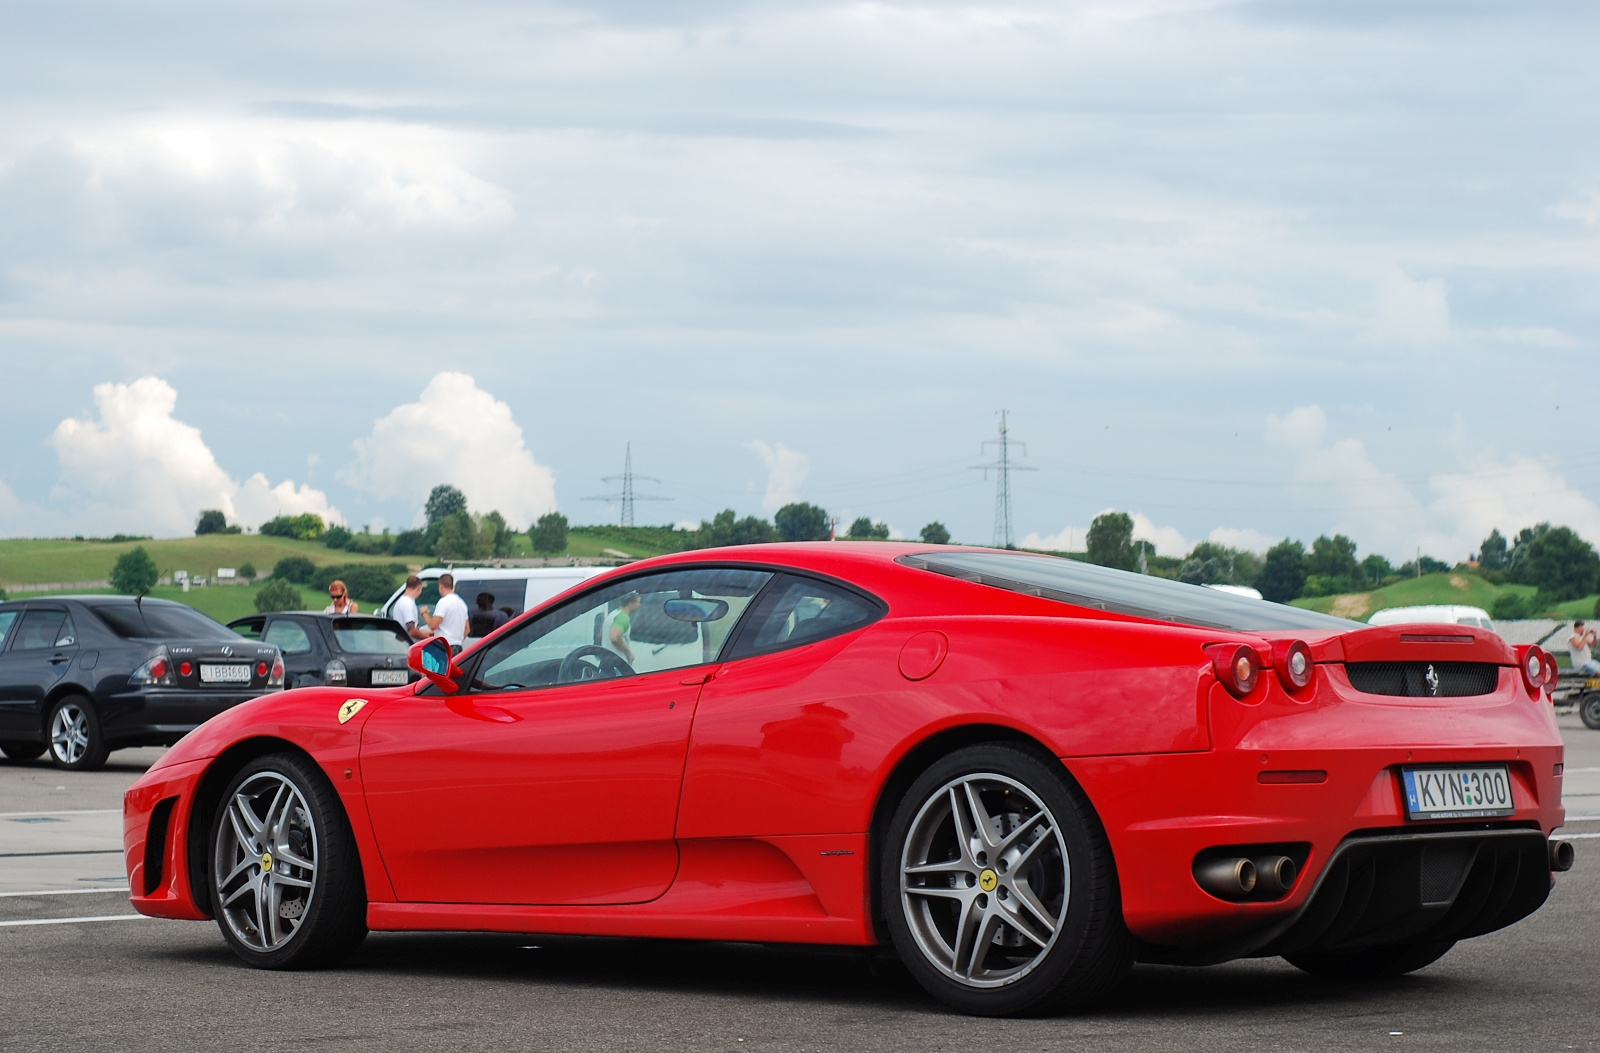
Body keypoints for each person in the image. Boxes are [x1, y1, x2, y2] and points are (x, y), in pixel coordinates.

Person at [424, 573, 470, 654]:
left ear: (441, 586)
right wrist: (457, 640)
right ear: (453, 586)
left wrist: (424, 613)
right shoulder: (462, 603)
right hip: (458, 647)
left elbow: (433, 625)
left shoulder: (444, 602)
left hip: (444, 647)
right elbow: (467, 629)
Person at [600, 591, 643, 664]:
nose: (639, 605)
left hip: (606, 660)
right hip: (618, 663)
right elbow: (615, 638)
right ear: (630, 604)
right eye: (638, 602)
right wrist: (629, 653)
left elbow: (601, 634)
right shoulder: (623, 617)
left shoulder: (613, 614)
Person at [391, 576, 429, 641]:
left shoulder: (401, 601)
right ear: (419, 587)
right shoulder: (408, 604)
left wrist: (427, 633)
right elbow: (412, 631)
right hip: (408, 646)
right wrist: (429, 638)